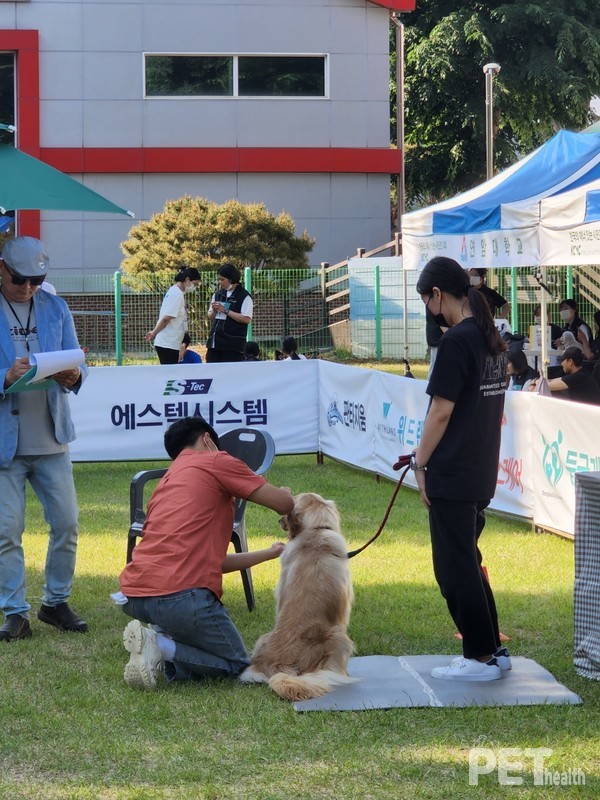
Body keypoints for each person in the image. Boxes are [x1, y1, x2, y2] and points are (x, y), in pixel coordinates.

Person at [118, 416, 293, 689]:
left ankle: (162, 635)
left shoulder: (167, 481)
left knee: (187, 627)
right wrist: (286, 493)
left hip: (136, 596)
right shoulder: (217, 460)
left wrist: (270, 553)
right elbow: (283, 504)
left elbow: (216, 561)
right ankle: (160, 645)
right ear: (208, 440)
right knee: (239, 667)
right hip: (180, 597)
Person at [413, 256, 509, 682]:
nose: (428, 312)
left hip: (454, 471)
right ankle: (492, 650)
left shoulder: (457, 342)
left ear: (437, 295)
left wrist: (420, 462)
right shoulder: (489, 338)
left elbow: (440, 413)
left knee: (454, 567)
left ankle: (480, 657)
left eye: (426, 301)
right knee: (467, 559)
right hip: (480, 467)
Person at [0, 236, 88, 642]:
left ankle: (55, 602)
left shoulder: (56, 306)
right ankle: (15, 613)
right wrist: (5, 377)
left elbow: (75, 362)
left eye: (38, 280)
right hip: (5, 444)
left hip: (52, 437)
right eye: (21, 279)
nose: (29, 288)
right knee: (6, 532)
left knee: (67, 523)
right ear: (1, 268)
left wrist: (74, 375)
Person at [145, 267, 200, 364]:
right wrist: (154, 333)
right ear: (187, 280)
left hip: (171, 343)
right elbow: (166, 318)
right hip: (168, 343)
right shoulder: (177, 294)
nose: (194, 287)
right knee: (170, 375)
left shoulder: (174, 292)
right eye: (194, 284)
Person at [206, 264, 253, 363]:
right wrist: (214, 310)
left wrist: (226, 311)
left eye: (222, 280)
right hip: (215, 343)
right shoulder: (218, 294)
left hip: (232, 346)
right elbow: (210, 316)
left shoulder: (244, 296)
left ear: (231, 279)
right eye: (219, 279)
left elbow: (246, 319)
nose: (220, 282)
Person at [528, 346, 600, 405]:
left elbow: (545, 386)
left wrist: (533, 382)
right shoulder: (581, 374)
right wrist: (536, 382)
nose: (561, 364)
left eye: (562, 361)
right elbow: (552, 381)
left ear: (570, 362)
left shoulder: (578, 378)